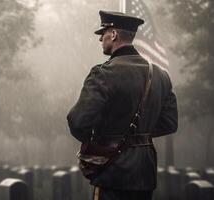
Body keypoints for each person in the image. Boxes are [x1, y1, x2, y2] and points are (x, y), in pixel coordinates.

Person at [67, 10, 178, 200]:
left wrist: (100, 140)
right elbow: (169, 123)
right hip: (144, 174)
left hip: (112, 172)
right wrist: (140, 134)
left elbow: (78, 122)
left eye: (103, 32)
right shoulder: (161, 76)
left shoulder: (103, 74)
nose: (100, 38)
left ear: (114, 34)